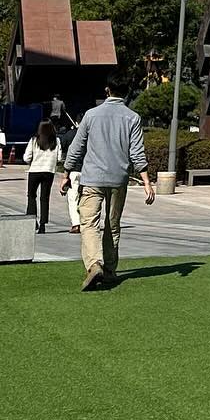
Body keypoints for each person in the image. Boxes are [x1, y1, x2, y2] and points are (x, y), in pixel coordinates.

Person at [59, 76, 155, 290]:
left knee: (89, 222)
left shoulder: (91, 116)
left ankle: (94, 264)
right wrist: (146, 181)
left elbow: (77, 147)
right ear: (126, 91)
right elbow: (137, 153)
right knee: (113, 224)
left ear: (107, 90)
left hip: (92, 177)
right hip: (118, 178)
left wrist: (66, 173)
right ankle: (110, 270)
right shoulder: (133, 118)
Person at [23, 120, 65, 233]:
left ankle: (32, 221)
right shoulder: (56, 141)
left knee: (31, 196)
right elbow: (60, 158)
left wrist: (32, 162)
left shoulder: (34, 140)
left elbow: (26, 157)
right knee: (44, 198)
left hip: (35, 171)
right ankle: (43, 224)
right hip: (49, 172)